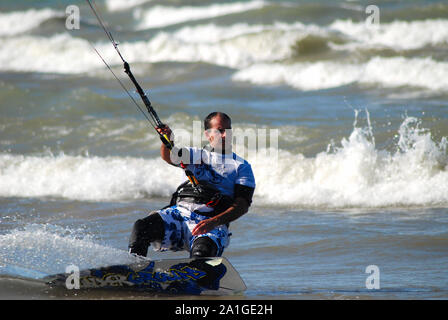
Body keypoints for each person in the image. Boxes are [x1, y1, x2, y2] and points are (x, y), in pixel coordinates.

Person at [128, 112, 256, 259]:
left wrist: (213, 222)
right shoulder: (194, 154)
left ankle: (197, 277)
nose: (225, 135)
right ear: (208, 134)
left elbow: (242, 206)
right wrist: (167, 141)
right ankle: (134, 270)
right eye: (220, 130)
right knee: (142, 227)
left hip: (212, 223)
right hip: (179, 215)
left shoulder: (241, 166)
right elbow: (169, 156)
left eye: (228, 130)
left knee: (202, 251)